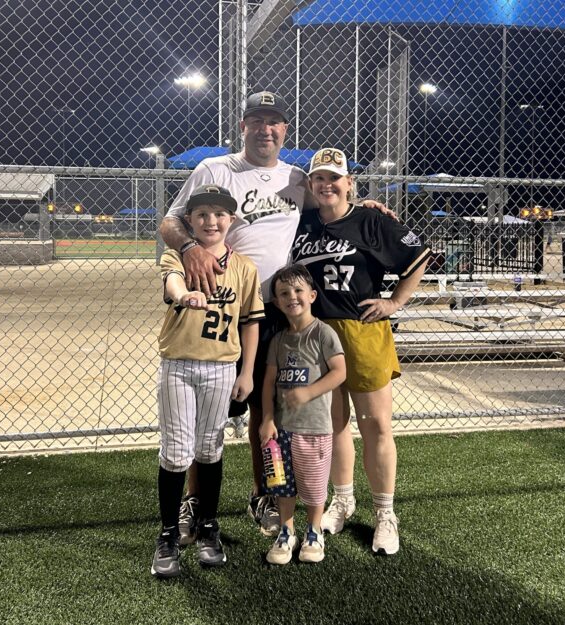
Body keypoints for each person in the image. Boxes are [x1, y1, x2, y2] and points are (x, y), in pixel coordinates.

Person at [159, 90, 393, 539]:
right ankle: (192, 501)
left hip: (278, 314)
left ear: (285, 130)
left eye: (275, 122)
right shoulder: (216, 169)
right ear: (242, 126)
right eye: (257, 120)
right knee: (209, 413)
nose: (266, 129)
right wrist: (189, 248)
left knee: (268, 410)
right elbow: (171, 221)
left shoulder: (296, 178)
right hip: (223, 308)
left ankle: (263, 492)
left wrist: (365, 209)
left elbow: (331, 206)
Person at [291, 148, 431, 555]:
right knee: (332, 425)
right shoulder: (302, 222)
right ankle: (344, 499)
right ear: (312, 185)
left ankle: (386, 513)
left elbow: (417, 256)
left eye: (335, 178)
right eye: (319, 178)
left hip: (363, 331)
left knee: (375, 424)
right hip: (317, 335)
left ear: (349, 182)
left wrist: (395, 302)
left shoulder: (371, 220)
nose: (327, 184)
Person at [151, 184, 265, 579]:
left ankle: (209, 528)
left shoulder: (245, 268)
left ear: (231, 220)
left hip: (221, 368)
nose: (210, 221)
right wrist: (184, 297)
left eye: (219, 214)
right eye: (201, 215)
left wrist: (247, 372)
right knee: (177, 452)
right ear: (190, 221)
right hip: (179, 365)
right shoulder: (177, 255)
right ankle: (167, 534)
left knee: (210, 449)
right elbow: (172, 284)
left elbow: (251, 323)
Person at [259, 264, 346, 565]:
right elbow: (269, 382)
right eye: (283, 293)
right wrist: (267, 418)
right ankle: (287, 530)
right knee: (283, 484)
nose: (291, 297)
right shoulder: (279, 340)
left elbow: (339, 372)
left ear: (311, 295)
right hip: (283, 428)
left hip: (315, 428)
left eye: (297, 291)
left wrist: (308, 392)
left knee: (313, 484)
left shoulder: (324, 334)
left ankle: (313, 530)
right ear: (276, 302)